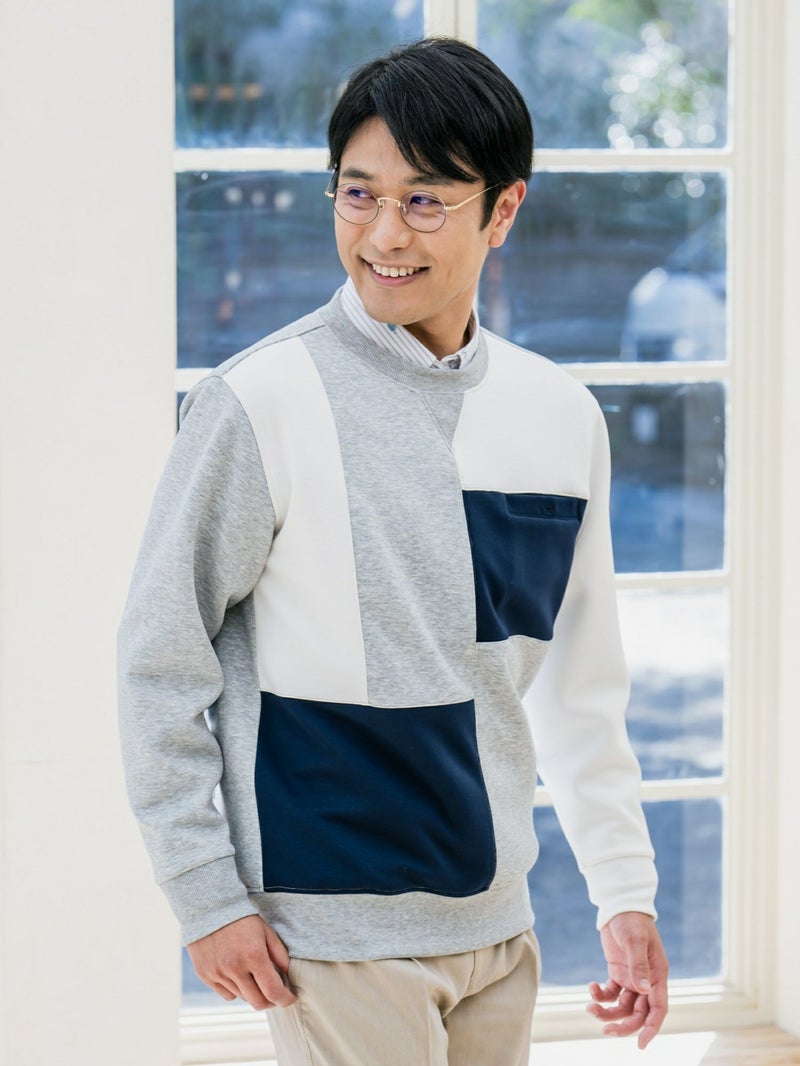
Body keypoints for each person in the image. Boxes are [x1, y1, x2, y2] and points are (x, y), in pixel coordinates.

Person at [118, 36, 668, 1065]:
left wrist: (624, 890)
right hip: (330, 933)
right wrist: (204, 894)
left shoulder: (557, 415)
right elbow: (161, 661)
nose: (381, 233)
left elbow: (577, 683)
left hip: (496, 924)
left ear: (502, 210)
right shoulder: (258, 402)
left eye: (423, 201)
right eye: (357, 193)